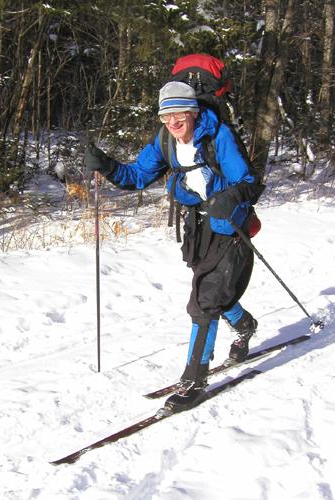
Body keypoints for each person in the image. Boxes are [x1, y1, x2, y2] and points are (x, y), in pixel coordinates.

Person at [84, 81, 264, 410]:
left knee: (205, 300)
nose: (172, 122)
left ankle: (194, 380)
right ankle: (245, 326)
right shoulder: (165, 140)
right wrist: (107, 165)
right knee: (214, 295)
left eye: (179, 114)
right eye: (166, 116)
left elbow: (249, 181)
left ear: (193, 112)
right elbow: (137, 175)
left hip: (228, 226)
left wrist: (230, 196)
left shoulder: (218, 135)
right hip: (197, 228)